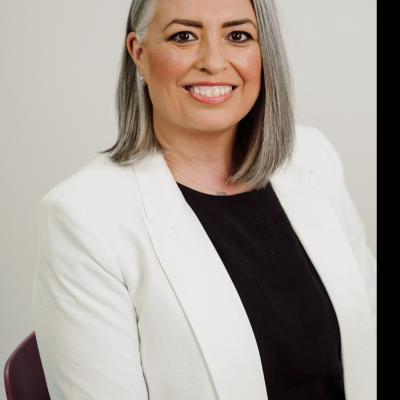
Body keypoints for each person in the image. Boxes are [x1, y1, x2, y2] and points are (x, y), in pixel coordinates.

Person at [32, 0, 377, 399]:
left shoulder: (313, 156)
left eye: (238, 36)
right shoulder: (82, 219)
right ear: (139, 55)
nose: (214, 61)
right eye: (184, 36)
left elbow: (367, 329)